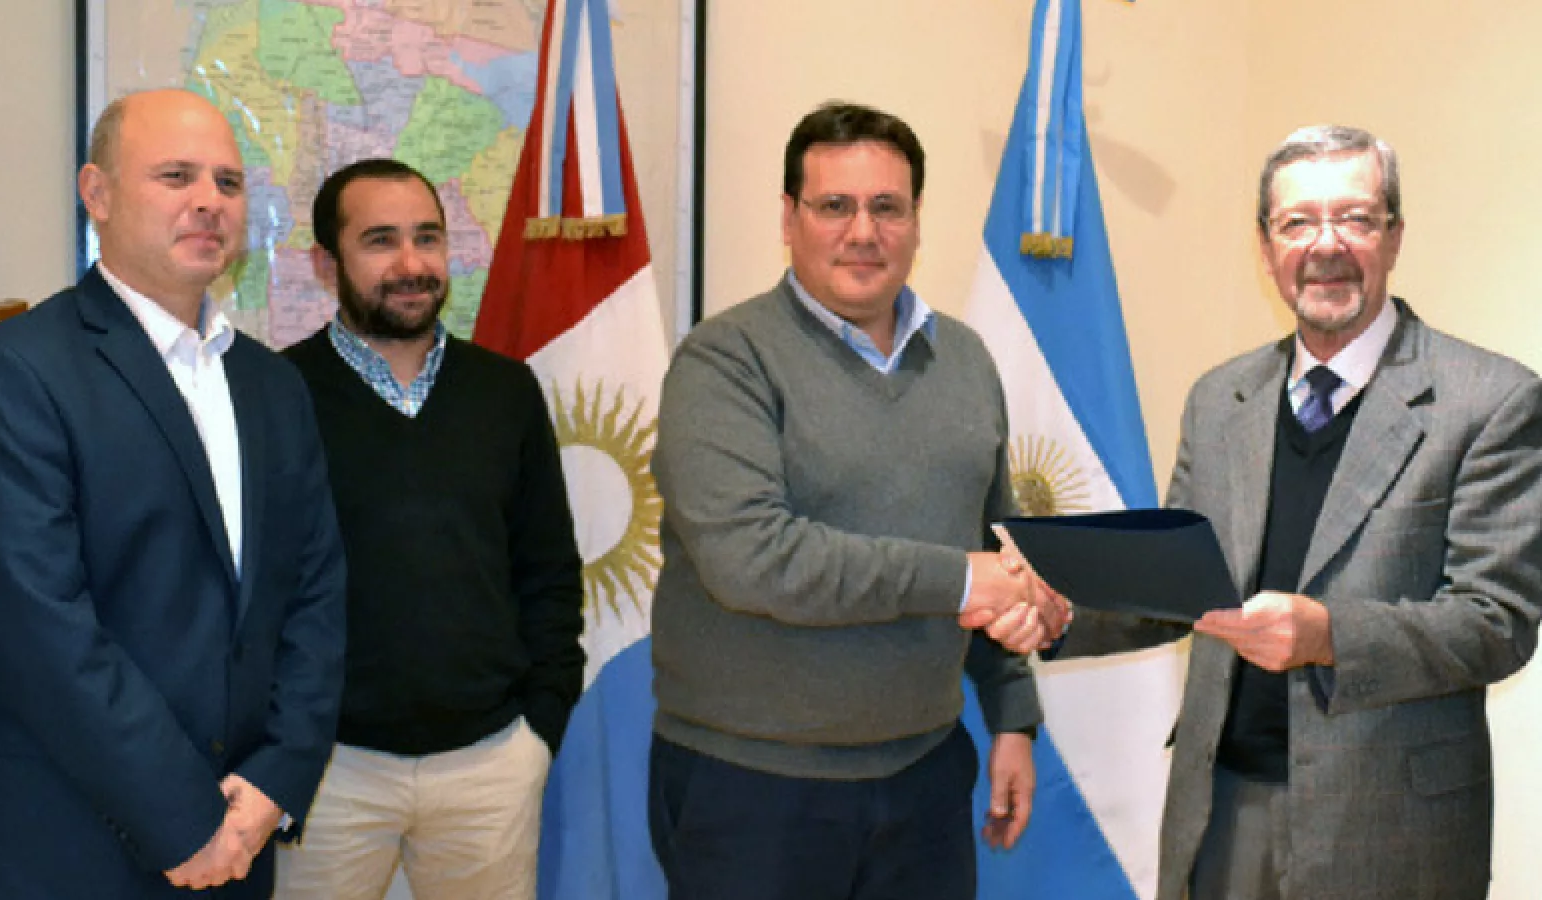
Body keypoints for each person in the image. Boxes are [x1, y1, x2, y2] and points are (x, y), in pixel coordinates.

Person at [1052, 125, 1542, 899]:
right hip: (1221, 809)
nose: (1326, 245)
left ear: (1395, 236)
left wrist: (1328, 636)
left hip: (1390, 825)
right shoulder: (1220, 399)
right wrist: (1057, 610)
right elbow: (1179, 586)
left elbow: (1496, 621)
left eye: (1355, 218)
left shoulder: (1491, 401)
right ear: (1265, 245)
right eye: (1298, 222)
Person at [0, 88, 348, 898]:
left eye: (228, 183)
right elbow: (40, 631)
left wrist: (275, 781)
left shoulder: (272, 385)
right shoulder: (13, 373)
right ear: (96, 194)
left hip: (240, 833)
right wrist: (187, 821)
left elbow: (314, 595)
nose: (209, 201)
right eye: (175, 176)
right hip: (60, 847)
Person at [647, 101, 1057, 900]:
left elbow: (995, 548)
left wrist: (1012, 714)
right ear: (789, 218)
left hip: (926, 777)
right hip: (752, 787)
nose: (863, 232)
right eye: (835, 205)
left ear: (915, 220)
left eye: (886, 207)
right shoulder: (724, 361)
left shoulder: (966, 360)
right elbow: (752, 560)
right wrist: (959, 580)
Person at [276, 158, 584, 900]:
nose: (411, 264)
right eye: (380, 240)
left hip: (489, 766)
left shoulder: (505, 391)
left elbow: (548, 571)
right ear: (326, 264)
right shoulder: (277, 394)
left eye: (428, 237)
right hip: (329, 770)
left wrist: (538, 729)